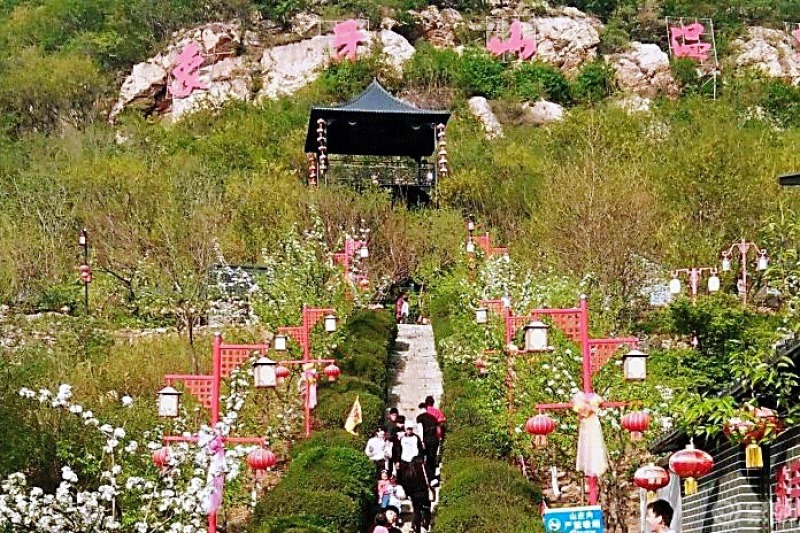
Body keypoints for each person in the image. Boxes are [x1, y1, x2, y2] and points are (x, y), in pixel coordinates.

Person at [401, 457, 432, 533]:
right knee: (426, 510)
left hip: (414, 495)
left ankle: (417, 529)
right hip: (424, 492)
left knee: (417, 511)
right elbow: (431, 477)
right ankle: (426, 525)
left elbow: (405, 483)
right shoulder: (423, 468)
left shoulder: (408, 471)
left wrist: (408, 494)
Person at [416, 402, 440, 480]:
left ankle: (425, 476)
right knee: (432, 458)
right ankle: (432, 476)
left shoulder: (420, 417)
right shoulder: (433, 417)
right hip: (434, 440)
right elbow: (437, 430)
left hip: (426, 440)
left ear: (420, 409)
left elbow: (420, 430)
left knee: (423, 458)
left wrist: (421, 441)